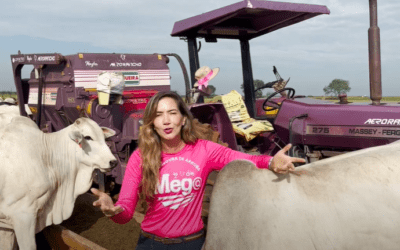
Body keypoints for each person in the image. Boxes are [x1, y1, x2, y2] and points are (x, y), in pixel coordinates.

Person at [91, 91, 305, 250]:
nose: (166, 120)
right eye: (158, 115)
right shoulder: (141, 156)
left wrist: (271, 162)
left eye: (172, 113)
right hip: (151, 243)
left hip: (191, 244)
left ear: (183, 119)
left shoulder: (204, 150)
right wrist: (114, 211)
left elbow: (247, 159)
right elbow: (126, 211)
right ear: (152, 123)